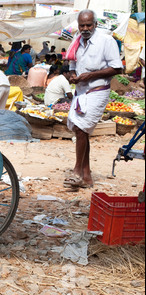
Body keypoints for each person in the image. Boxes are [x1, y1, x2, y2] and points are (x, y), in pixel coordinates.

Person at [64, 10, 123, 189]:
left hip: (98, 90)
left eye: (89, 25)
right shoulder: (77, 40)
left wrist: (90, 75)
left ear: (95, 24)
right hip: (81, 91)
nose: (85, 28)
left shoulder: (106, 41)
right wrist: (73, 76)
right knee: (80, 130)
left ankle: (76, 171)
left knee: (81, 128)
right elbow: (72, 65)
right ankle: (87, 176)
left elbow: (117, 68)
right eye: (82, 25)